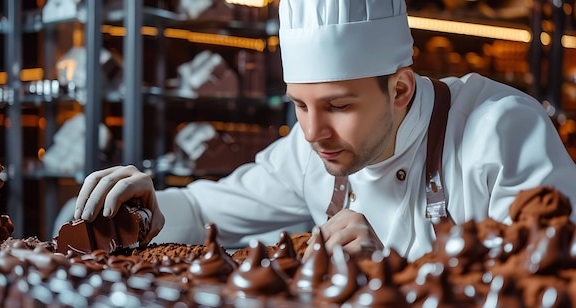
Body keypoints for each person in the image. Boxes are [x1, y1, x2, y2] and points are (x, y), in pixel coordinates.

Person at [72, 0, 576, 262]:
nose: (314, 132)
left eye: (337, 105)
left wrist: (392, 268)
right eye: (299, 105)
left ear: (399, 89)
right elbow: (208, 211)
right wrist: (154, 208)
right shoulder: (310, 150)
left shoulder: (501, 131)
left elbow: (550, 287)